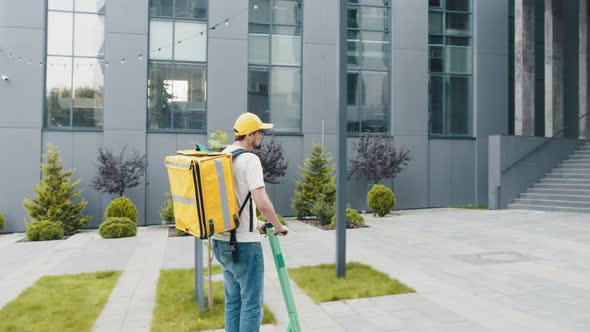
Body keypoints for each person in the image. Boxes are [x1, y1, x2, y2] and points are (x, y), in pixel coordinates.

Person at [212, 112, 288, 332]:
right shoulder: (249, 159)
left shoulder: (222, 155)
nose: (262, 136)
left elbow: (231, 199)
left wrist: (255, 223)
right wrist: (278, 225)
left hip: (220, 240)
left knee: (233, 302)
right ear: (251, 134)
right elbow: (262, 201)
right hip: (244, 245)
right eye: (260, 132)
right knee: (252, 305)